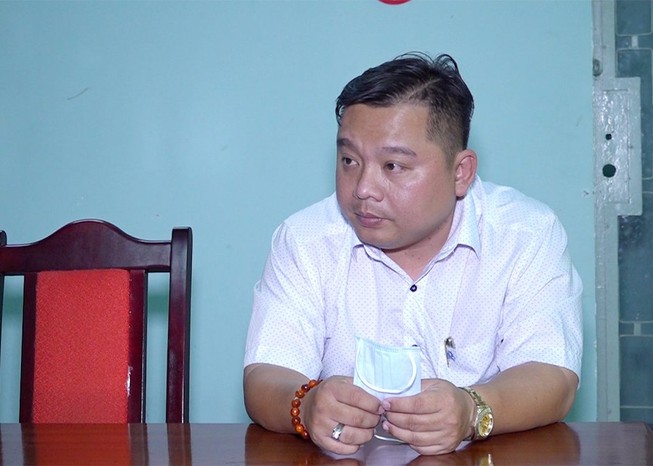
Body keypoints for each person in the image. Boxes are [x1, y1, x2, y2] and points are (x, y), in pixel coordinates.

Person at [243, 52, 583, 456]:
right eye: (349, 160)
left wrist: (472, 409)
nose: (363, 188)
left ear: (460, 173)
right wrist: (304, 404)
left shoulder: (525, 234)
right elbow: (266, 374)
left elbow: (553, 375)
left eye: (393, 166)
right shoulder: (305, 239)